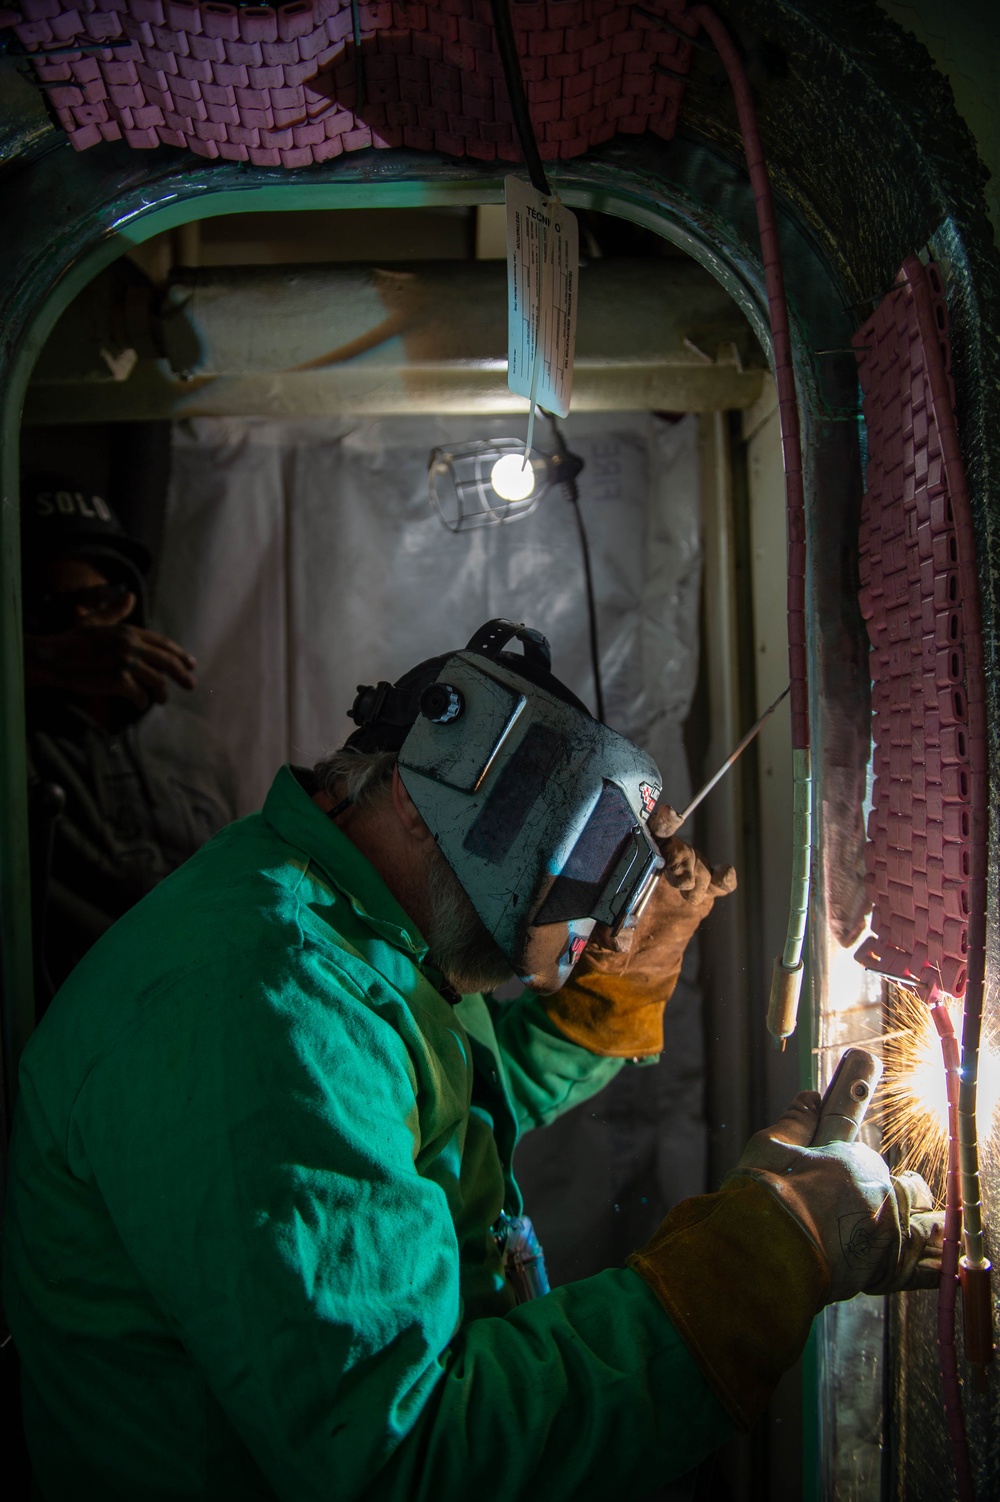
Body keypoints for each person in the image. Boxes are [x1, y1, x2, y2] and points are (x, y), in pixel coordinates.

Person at [2, 620, 940, 1501]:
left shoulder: (361, 933)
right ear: (435, 791)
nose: (610, 915)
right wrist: (773, 1253)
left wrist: (613, 1001)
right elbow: (412, 1459)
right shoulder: (262, 1001)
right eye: (591, 861)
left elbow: (435, 1126)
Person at [20, 479, 238, 1006]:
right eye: (50, 608)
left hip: (198, 1008)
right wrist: (41, 661)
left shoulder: (193, 742)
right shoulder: (16, 748)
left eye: (100, 600)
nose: (83, 626)